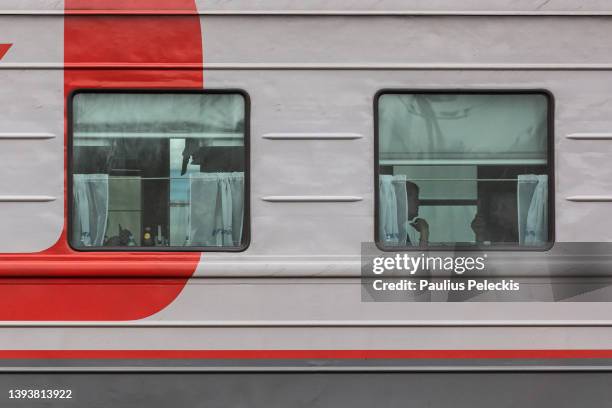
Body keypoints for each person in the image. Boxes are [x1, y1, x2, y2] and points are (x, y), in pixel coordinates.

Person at [406, 181, 429, 247]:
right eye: (415, 199)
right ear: (404, 201)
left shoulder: (401, 231)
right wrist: (424, 232)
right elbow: (421, 256)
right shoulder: (393, 232)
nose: (418, 204)